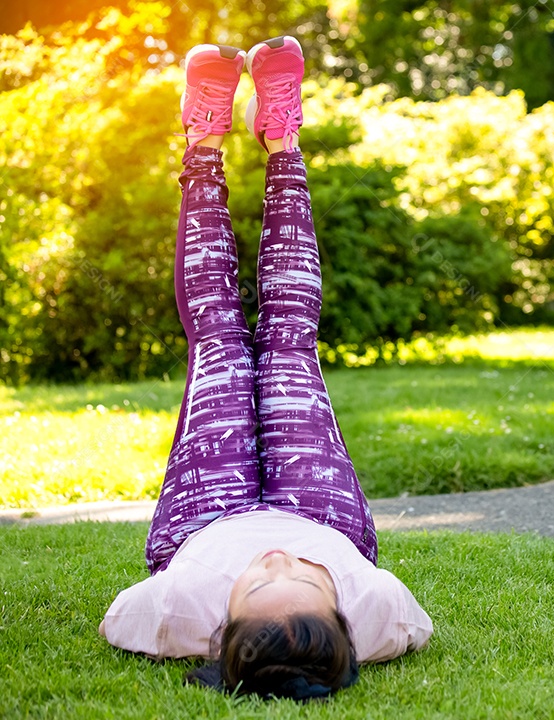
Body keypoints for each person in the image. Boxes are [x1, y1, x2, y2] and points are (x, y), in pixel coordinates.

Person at [98, 37, 433, 701]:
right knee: (288, 341)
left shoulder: (187, 606)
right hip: (324, 513)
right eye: (307, 580)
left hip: (203, 518)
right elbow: (411, 623)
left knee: (219, 340)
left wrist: (214, 641)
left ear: (220, 627)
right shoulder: (376, 613)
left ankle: (203, 142)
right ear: (345, 616)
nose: (278, 560)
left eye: (256, 584)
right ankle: (283, 141)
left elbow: (118, 620)